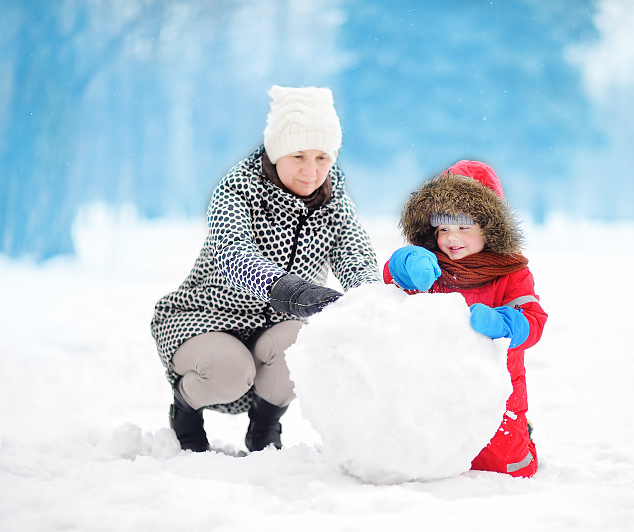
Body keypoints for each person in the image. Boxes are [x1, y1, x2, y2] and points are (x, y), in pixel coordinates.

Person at [151, 85, 381, 453]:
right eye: (299, 156)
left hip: (275, 327)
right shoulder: (238, 188)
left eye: (323, 157)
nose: (311, 171)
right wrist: (297, 292)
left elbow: (355, 256)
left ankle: (265, 428)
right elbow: (234, 254)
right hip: (206, 318)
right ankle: (185, 411)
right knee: (229, 370)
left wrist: (370, 299)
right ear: (276, 154)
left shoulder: (334, 200)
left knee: (303, 343)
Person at [383, 160, 548, 477]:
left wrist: (504, 323)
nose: (451, 238)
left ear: (489, 227)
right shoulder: (430, 264)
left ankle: (521, 431)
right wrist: (406, 262)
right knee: (423, 457)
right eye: (443, 228)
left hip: (497, 386)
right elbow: (391, 279)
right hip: (434, 384)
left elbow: (534, 321)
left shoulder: (511, 272)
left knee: (506, 467)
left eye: (463, 227)